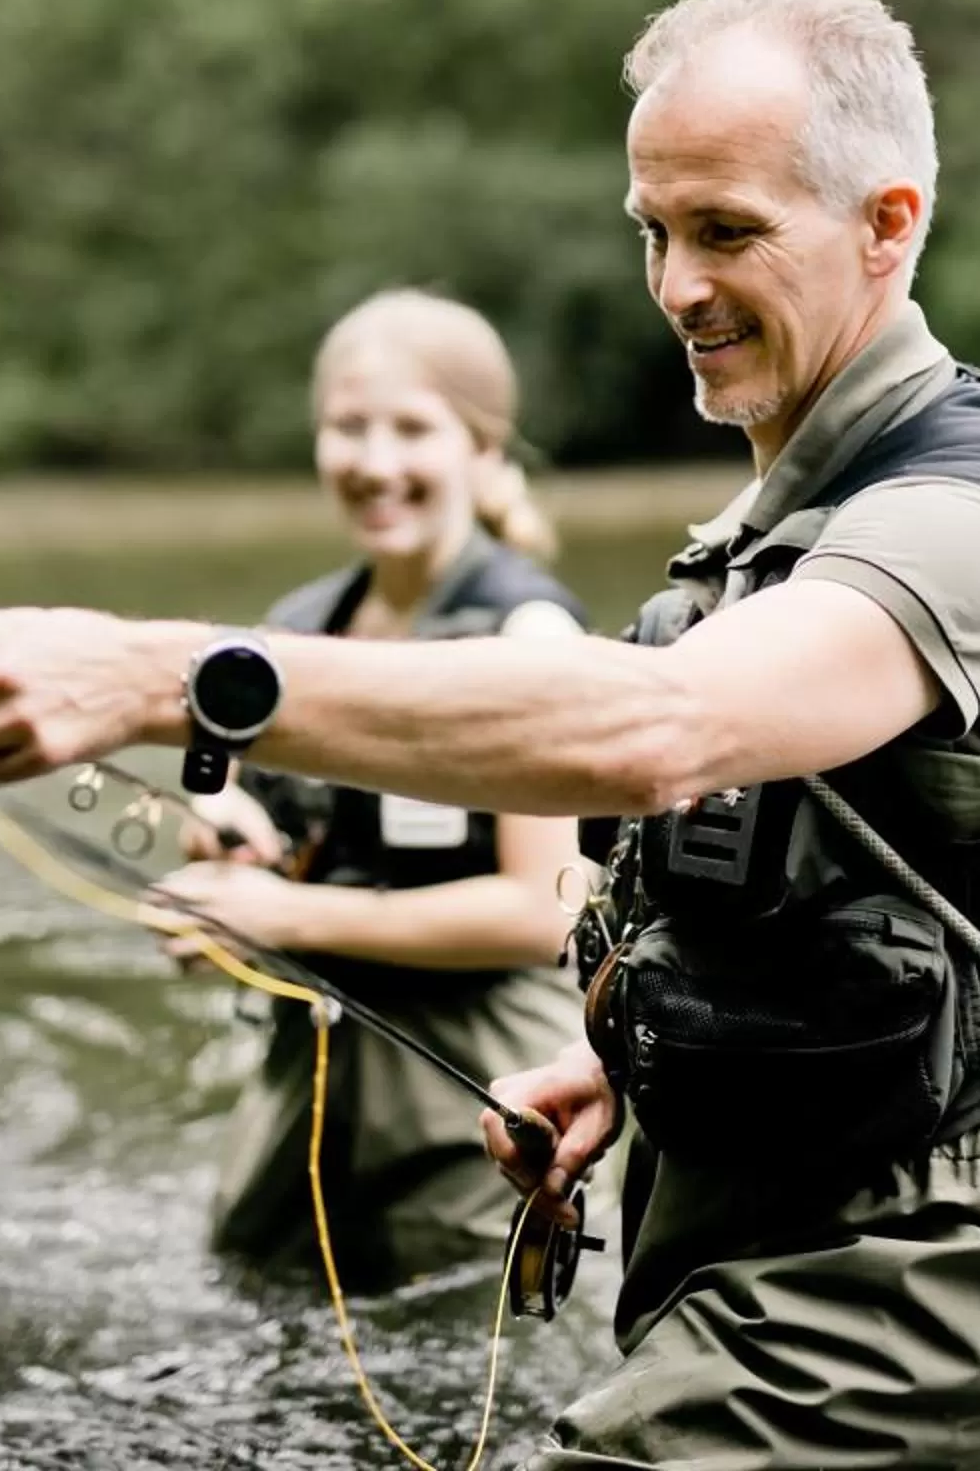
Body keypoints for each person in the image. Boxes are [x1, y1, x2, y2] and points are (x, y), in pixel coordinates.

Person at [0, 0, 980, 1471]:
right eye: (654, 230)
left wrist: (157, 678)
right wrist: (630, 1067)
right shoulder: (785, 513)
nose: (675, 288)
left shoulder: (951, 522)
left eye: (728, 233)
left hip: (885, 1289)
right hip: (742, 1235)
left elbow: (657, 729)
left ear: (888, 224)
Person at [152, 289, 590, 1290]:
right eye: (348, 427)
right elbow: (271, 826)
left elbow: (538, 911)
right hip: (306, 1089)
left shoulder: (529, 638)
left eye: (411, 428)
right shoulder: (295, 627)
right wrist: (227, 842)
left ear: (482, 449)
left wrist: (285, 906)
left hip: (475, 1102)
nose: (374, 461)